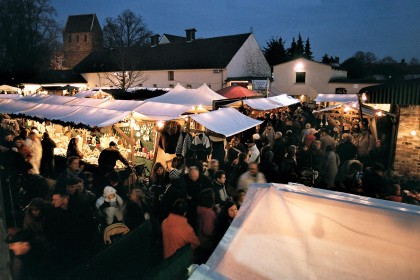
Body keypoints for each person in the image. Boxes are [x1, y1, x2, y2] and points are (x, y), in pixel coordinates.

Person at [195, 188, 217, 264]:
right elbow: (208, 231)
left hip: (201, 240)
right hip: (207, 244)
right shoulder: (208, 213)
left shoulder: (201, 209)